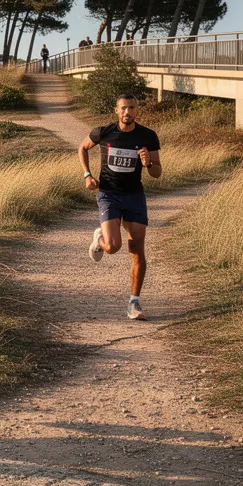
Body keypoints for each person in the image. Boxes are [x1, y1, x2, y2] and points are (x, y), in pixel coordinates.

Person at [80, 94, 162, 320]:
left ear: (137, 111)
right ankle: (100, 239)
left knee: (137, 250)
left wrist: (148, 164)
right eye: (124, 108)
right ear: (116, 111)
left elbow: (157, 173)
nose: (128, 112)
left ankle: (134, 303)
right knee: (113, 247)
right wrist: (88, 175)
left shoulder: (147, 136)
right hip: (109, 195)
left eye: (132, 108)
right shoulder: (104, 132)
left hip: (134, 196)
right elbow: (82, 148)